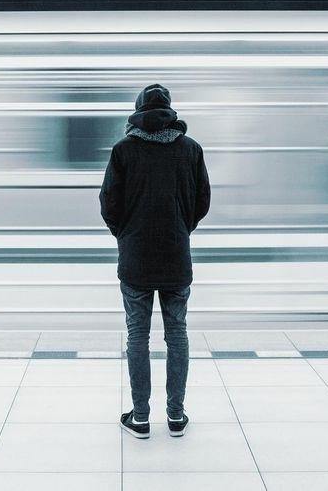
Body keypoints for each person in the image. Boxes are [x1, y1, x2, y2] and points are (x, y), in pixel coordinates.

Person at [100, 84, 210, 439]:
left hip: (135, 259)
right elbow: (202, 201)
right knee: (177, 334)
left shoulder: (124, 150)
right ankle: (176, 416)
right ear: (169, 112)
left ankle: (142, 418)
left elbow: (108, 203)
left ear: (137, 111)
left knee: (138, 335)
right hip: (177, 256)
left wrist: (126, 233)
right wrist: (181, 226)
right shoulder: (191, 149)